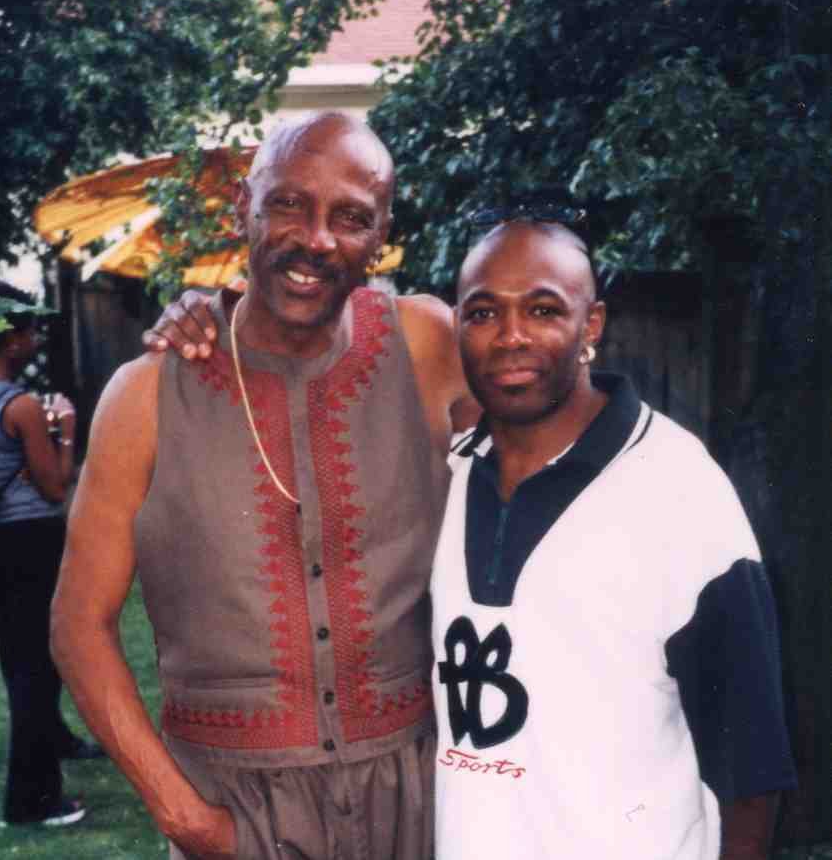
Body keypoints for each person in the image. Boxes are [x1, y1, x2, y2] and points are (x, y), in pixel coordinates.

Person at [51, 112, 472, 859]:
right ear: (243, 207)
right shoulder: (145, 396)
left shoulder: (428, 346)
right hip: (232, 805)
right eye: (287, 203)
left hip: (418, 798)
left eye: (350, 218)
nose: (316, 238)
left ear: (380, 238)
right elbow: (78, 627)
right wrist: (185, 818)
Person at [431, 213, 796, 859]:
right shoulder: (446, 477)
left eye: (543, 309)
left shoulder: (678, 489)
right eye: (483, 313)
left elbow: (751, 771)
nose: (511, 336)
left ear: (591, 325)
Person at [0, 280, 101, 829]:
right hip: (29, 542)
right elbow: (56, 487)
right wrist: (67, 429)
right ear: (11, 340)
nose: (37, 339)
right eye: (31, 331)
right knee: (37, 671)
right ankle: (31, 800)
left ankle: (37, 784)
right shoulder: (19, 406)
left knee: (22, 667)